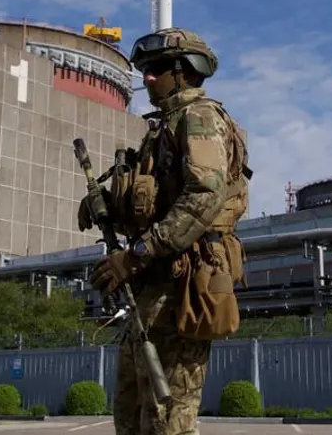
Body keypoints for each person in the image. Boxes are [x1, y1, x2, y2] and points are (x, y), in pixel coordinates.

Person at [77, 27, 252, 434]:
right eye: (145, 69)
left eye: (156, 69)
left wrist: (133, 254)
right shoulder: (163, 129)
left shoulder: (200, 118)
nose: (147, 78)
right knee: (132, 409)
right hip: (152, 288)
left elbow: (202, 199)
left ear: (184, 71)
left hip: (183, 288)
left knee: (166, 415)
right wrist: (107, 204)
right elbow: (155, 205)